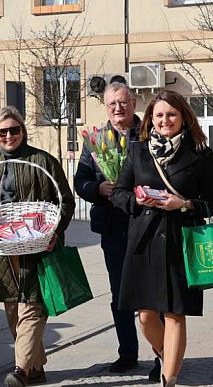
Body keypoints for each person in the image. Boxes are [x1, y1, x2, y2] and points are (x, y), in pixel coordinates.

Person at [110, 90, 213, 386]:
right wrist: (137, 200)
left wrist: (184, 204)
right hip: (143, 241)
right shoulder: (138, 151)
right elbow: (119, 193)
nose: (165, 120)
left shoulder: (200, 153)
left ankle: (169, 378)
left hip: (180, 241)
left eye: (171, 114)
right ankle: (164, 353)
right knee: (146, 316)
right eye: (159, 115)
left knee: (175, 313)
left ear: (183, 117)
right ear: (150, 119)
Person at [0, 106, 76, 387]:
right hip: (3, 250)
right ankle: (36, 368)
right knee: (12, 311)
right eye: (2, 132)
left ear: (23, 131)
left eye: (14, 130)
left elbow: (65, 201)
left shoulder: (43, 161)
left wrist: (55, 231)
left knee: (31, 308)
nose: (9, 136)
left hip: (38, 246)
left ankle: (19, 371)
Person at [74, 82, 160, 380]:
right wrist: (97, 187)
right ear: (105, 106)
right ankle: (128, 354)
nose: (118, 109)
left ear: (133, 102)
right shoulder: (96, 139)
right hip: (113, 228)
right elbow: (81, 181)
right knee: (120, 295)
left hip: (149, 226)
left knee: (152, 295)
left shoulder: (151, 132)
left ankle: (162, 355)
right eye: (112, 104)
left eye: (123, 103)